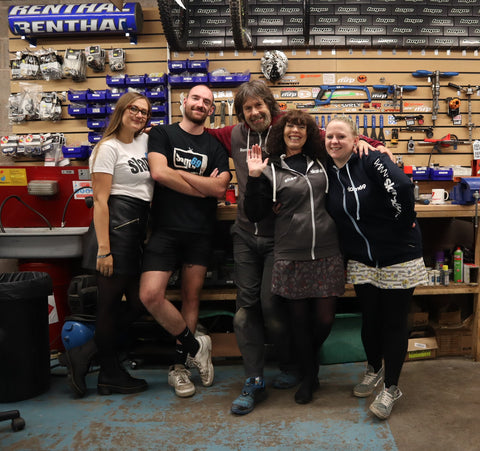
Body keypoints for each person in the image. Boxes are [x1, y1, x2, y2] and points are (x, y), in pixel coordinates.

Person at [206, 80, 387, 415]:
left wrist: (370, 143)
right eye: (247, 108)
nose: (254, 112)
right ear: (241, 113)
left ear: (271, 106)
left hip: (289, 242)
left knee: (277, 309)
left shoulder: (293, 128)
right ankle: (257, 379)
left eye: (259, 105)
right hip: (250, 234)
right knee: (248, 309)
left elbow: (337, 138)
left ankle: (296, 363)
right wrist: (158, 133)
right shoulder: (235, 135)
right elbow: (200, 134)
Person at [324, 115, 428, 419]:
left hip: (398, 255)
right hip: (362, 259)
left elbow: (403, 186)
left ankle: (392, 387)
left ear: (355, 140)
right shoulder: (329, 170)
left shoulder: (370, 160)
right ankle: (373, 368)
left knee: (394, 322)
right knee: (370, 318)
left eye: (341, 136)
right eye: (330, 136)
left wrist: (403, 223)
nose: (334, 141)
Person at [243, 109, 345, 404]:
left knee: (324, 320)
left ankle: (307, 364)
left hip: (327, 251)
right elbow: (255, 213)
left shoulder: (322, 161)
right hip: (290, 254)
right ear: (282, 132)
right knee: (298, 322)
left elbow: (345, 141)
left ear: (309, 133)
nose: (295, 131)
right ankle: (310, 377)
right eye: (290, 126)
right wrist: (254, 176)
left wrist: (370, 143)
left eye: (301, 127)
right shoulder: (271, 168)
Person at [139, 85, 231, 398]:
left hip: (200, 231)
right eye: (196, 98)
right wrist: (202, 187)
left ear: (211, 109)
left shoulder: (215, 145)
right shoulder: (162, 133)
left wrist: (182, 177)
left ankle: (179, 367)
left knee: (192, 299)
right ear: (184, 101)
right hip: (165, 229)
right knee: (150, 295)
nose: (201, 104)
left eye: (207, 101)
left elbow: (220, 189)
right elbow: (159, 173)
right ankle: (196, 345)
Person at [62, 92, 154, 397]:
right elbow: (100, 201)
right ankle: (110, 374)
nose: (139, 114)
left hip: (136, 230)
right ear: (121, 110)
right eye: (134, 109)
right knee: (110, 306)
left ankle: (84, 353)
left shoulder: (144, 142)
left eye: (144, 111)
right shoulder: (107, 148)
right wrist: (105, 249)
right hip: (114, 232)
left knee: (138, 303)